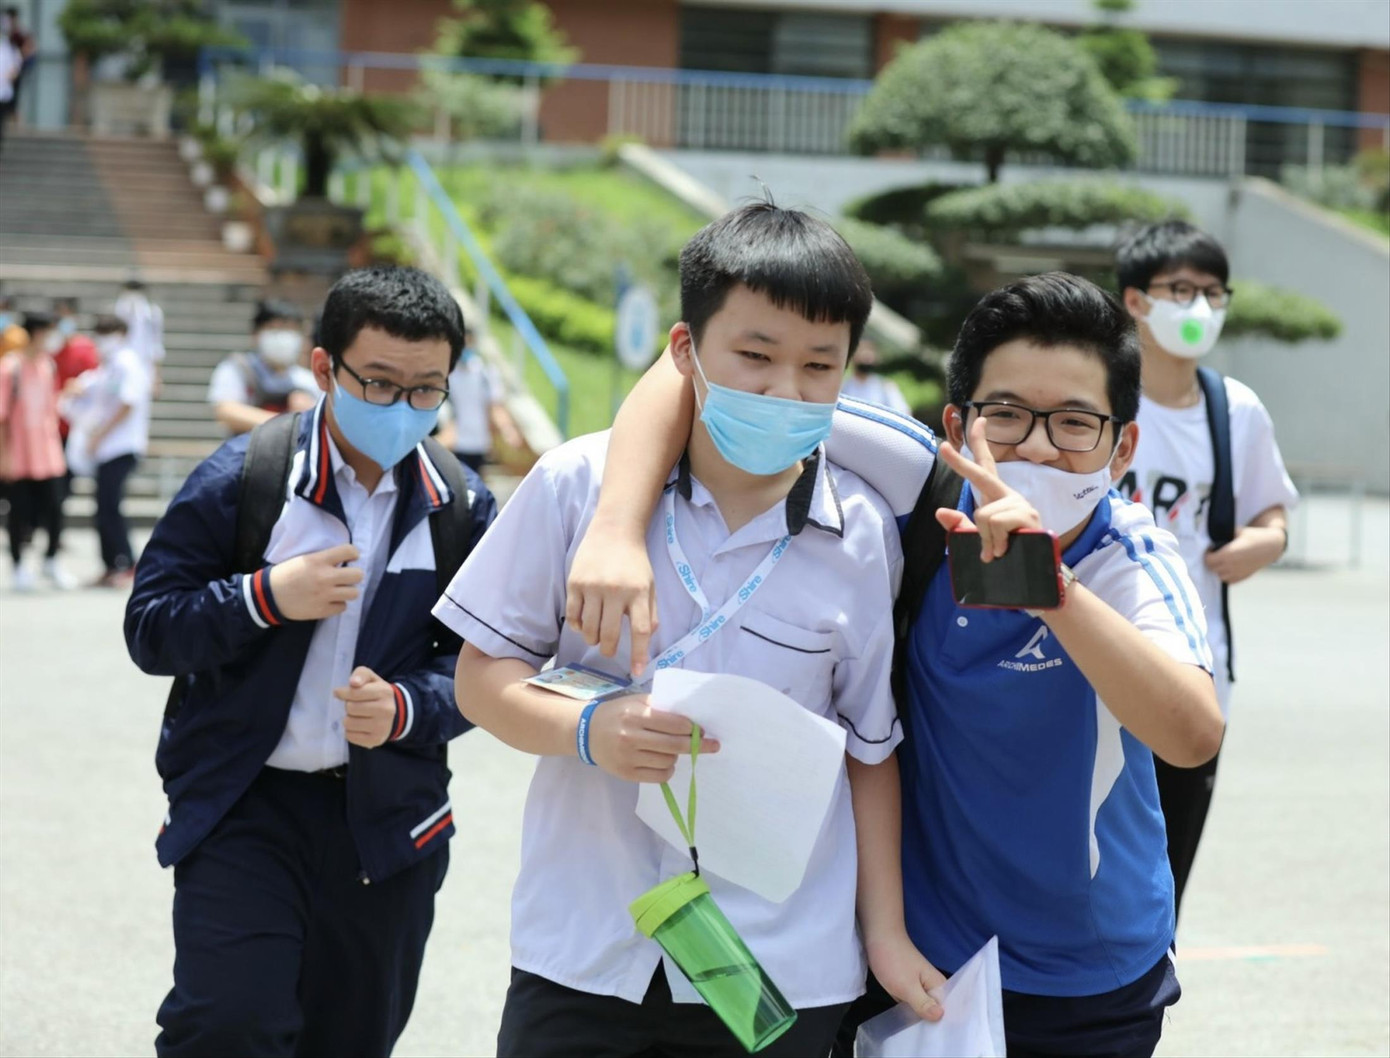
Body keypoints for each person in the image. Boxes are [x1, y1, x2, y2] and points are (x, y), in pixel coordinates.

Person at [566, 272, 1223, 1058]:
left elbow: (1192, 733)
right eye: (1006, 415)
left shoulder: (1128, 557)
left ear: (1123, 447)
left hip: (1082, 972)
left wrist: (1050, 588)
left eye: (1076, 423)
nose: (1039, 445)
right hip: (919, 956)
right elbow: (695, 379)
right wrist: (613, 527)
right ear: (956, 423)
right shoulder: (924, 484)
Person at [433, 203, 945, 1058]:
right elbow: (481, 680)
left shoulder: (864, 536)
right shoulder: (576, 488)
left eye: (821, 366)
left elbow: (868, 751)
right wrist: (588, 729)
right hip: (588, 949)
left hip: (778, 966)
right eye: (754, 356)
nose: (787, 389)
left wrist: (883, 933)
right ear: (684, 352)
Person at [124, 266, 496, 1058]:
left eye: (428, 389)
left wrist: (409, 707)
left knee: (351, 1038)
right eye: (380, 383)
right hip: (243, 808)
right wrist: (264, 597)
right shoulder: (245, 480)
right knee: (227, 1025)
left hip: (389, 825)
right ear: (324, 368)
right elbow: (151, 628)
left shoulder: (461, 505)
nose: (404, 408)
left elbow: (485, 666)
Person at [1115, 221, 1298, 916]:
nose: (1198, 308)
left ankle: (1136, 1012)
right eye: (1180, 290)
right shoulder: (1102, 397)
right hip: (1090, 664)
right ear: (1135, 299)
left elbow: (1273, 516)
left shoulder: (1235, 410)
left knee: (1162, 880)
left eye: (1212, 293)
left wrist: (1264, 544)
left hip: (1194, 678)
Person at [63, 315, 150, 588]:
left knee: (110, 506)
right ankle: (111, 564)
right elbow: (94, 388)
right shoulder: (110, 364)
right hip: (105, 448)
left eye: (108, 331)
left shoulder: (128, 361)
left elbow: (127, 403)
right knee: (103, 506)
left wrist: (99, 436)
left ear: (122, 333)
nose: (104, 337)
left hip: (121, 446)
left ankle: (125, 562)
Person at [0, 312, 72, 590]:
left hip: (47, 449)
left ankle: (51, 560)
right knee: (19, 511)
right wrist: (4, 455)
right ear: (35, 333)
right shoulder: (10, 368)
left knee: (55, 506)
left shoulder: (47, 365)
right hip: (18, 450)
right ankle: (19, 566)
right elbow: (2, 416)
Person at [205, 298, 318, 435]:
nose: (282, 338)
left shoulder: (308, 379)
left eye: (289, 329)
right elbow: (226, 411)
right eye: (274, 329)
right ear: (256, 334)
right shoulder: (239, 368)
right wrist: (288, 423)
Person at [437, 326, 524, 472]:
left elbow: (495, 406)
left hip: (479, 444)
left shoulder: (485, 372)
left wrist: (508, 430)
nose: (466, 349)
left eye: (469, 344)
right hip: (454, 444)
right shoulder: (446, 373)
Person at [113, 278, 165, 393]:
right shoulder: (118, 310)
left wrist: (157, 376)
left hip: (144, 364)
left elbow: (156, 345)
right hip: (121, 363)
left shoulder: (152, 313)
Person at [838, 338, 912, 417]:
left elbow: (903, 413)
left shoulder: (885, 386)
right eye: (862, 350)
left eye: (871, 350)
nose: (867, 355)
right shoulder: (841, 386)